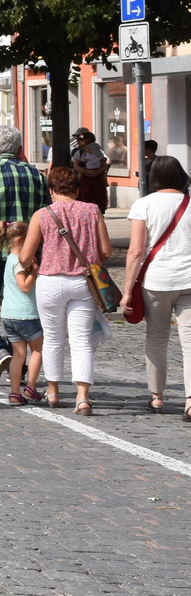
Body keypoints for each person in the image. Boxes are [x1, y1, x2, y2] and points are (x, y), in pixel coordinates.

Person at [19, 165, 111, 415]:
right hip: (83, 282)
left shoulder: (43, 214)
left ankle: (53, 391)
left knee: (52, 338)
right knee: (81, 341)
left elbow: (26, 255)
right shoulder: (92, 211)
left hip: (50, 282)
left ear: (51, 190)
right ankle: (82, 398)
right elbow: (106, 252)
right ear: (77, 189)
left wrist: (33, 263)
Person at [0, 125, 49, 384]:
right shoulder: (36, 174)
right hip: (28, 253)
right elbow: (45, 217)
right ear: (20, 148)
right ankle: (21, 366)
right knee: (24, 307)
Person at [125, 155, 191, 419]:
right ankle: (190, 400)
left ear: (153, 178)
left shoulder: (144, 205)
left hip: (157, 281)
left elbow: (135, 252)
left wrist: (128, 289)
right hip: (190, 280)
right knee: (190, 343)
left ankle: (157, 397)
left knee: (156, 337)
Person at [0, 220, 44, 406]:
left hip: (8, 314)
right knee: (38, 350)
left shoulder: (8, 260)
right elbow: (24, 286)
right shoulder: (20, 262)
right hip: (26, 314)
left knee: (18, 355)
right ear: (22, 240)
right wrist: (35, 273)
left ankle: (15, 393)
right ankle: (30, 386)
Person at [69, 128, 109, 212]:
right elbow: (76, 166)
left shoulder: (97, 151)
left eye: (80, 138)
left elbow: (106, 162)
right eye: (77, 138)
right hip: (84, 180)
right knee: (84, 202)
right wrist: (85, 171)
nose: (77, 141)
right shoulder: (77, 152)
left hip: (97, 180)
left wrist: (97, 172)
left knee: (97, 202)